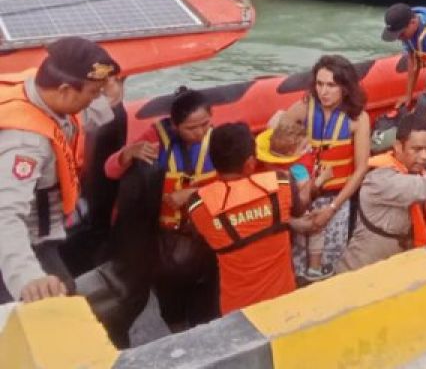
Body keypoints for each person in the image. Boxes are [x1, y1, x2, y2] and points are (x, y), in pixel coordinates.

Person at [0, 37, 122, 303]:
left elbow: (73, 118)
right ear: (66, 89)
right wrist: (28, 278)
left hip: (46, 225)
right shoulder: (26, 145)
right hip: (23, 240)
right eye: (93, 93)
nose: (95, 99)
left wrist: (105, 100)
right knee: (55, 303)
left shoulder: (42, 88)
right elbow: (5, 214)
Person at [102, 87, 219, 332]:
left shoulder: (217, 139)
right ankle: (177, 333)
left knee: (207, 301)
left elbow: (236, 183)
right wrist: (127, 154)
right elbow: (110, 170)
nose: (200, 132)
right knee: (171, 301)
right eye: (191, 128)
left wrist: (192, 193)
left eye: (205, 124)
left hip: (205, 235)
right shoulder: (155, 139)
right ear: (175, 126)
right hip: (164, 238)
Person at [187, 123, 305, 314]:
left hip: (237, 310)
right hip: (284, 301)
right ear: (250, 163)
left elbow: (202, 237)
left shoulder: (198, 204)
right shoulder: (281, 182)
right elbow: (298, 210)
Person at [338, 112, 426, 272]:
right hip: (361, 273)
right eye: (417, 149)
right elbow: (425, 188)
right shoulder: (379, 179)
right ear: (398, 146)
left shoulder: (415, 172)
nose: (425, 156)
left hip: (396, 268)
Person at [279, 54, 370, 280]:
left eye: (331, 85)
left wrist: (331, 208)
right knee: (298, 262)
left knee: (328, 265)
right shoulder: (303, 108)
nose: (324, 91)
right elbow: (277, 142)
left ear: (345, 88)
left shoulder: (358, 119)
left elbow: (360, 170)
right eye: (319, 84)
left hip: (336, 199)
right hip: (303, 198)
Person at [381, 3, 426, 109]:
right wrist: (408, 95)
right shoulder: (406, 30)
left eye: (401, 35)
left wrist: (421, 103)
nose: (400, 38)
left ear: (413, 22)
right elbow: (412, 60)